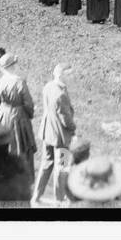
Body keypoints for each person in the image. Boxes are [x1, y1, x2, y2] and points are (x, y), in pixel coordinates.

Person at [32, 64, 76, 205]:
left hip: (48, 133)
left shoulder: (48, 86)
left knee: (46, 164)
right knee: (62, 166)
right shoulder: (61, 94)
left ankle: (36, 196)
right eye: (69, 74)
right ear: (62, 75)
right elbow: (66, 119)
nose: (72, 77)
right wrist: (74, 132)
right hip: (61, 137)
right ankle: (59, 199)